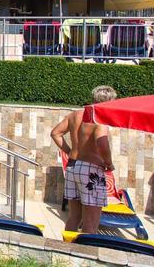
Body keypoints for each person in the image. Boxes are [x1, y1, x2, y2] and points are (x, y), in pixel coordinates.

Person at [50, 85, 117, 233]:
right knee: (91, 221)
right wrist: (109, 163)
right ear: (109, 102)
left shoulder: (75, 115)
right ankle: (86, 248)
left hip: (73, 166)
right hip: (91, 169)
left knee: (74, 217)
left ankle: (66, 246)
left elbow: (55, 133)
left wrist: (69, 151)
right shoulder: (98, 119)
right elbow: (102, 144)